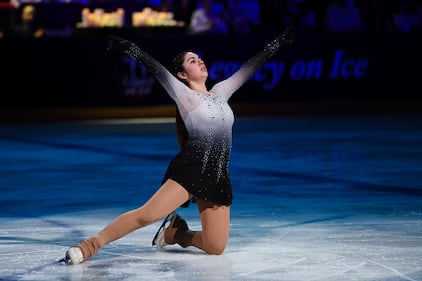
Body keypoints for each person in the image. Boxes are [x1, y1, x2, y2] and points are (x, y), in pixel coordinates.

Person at [61, 26, 294, 265]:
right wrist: (127, 47)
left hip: (217, 175)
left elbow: (248, 69)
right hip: (191, 169)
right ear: (183, 75)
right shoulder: (185, 96)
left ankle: (175, 233)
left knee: (216, 246)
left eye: (200, 58)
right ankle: (90, 245)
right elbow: (155, 68)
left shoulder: (221, 92)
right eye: (192, 61)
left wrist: (276, 43)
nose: (200, 62)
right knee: (147, 215)